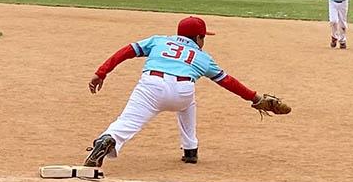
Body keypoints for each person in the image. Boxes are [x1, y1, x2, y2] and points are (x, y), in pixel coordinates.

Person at [83, 16, 290, 167]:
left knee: (127, 122)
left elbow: (126, 51)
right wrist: (254, 97)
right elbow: (228, 81)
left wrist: (102, 72)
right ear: (199, 37)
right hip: (182, 90)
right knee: (189, 102)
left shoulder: (158, 40)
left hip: (151, 86)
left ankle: (109, 139)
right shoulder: (203, 57)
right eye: (203, 37)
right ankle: (190, 149)